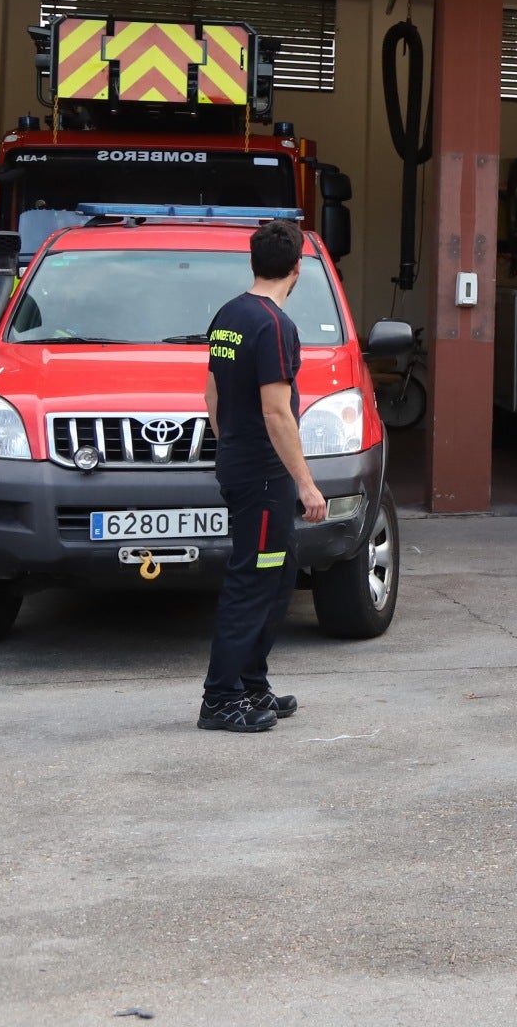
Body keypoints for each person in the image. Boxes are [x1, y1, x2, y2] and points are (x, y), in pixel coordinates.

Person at [198, 217, 326, 734]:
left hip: (241, 463)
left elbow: (212, 394)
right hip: (266, 477)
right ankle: (220, 699)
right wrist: (306, 483)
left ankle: (251, 683)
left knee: (278, 574)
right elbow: (277, 413)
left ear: (254, 262)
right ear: (298, 267)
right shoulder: (275, 326)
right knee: (254, 580)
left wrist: (229, 439)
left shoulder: (229, 315)